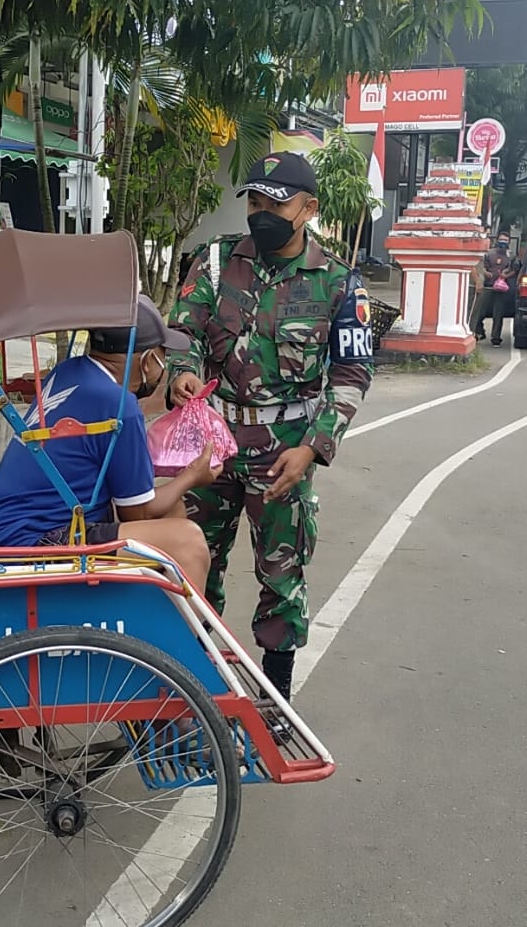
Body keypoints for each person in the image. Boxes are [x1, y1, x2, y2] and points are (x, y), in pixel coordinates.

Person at [166, 151, 377, 704]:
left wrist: (314, 448)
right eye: (254, 202)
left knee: (281, 580)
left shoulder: (336, 282)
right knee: (189, 569)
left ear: (307, 208)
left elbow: (353, 370)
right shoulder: (214, 262)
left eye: (274, 204)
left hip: (283, 453)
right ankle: (196, 692)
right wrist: (182, 374)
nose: (261, 214)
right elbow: (182, 332)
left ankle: (276, 702)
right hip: (208, 447)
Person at [0, 296, 219, 593]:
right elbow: (137, 514)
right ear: (145, 358)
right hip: (35, 542)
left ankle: (155, 616)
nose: (162, 366)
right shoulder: (118, 404)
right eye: (161, 354)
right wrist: (193, 476)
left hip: (13, 530)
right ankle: (181, 638)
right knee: (188, 542)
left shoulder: (69, 372)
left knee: (172, 510)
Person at [475, 232, 521, 345]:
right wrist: (486, 273)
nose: (503, 242)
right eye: (501, 240)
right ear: (497, 240)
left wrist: (505, 276)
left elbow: (515, 270)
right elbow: (481, 266)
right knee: (479, 312)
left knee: (498, 314)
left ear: (509, 242)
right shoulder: (489, 253)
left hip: (502, 289)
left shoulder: (511, 256)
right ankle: (479, 332)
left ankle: (496, 338)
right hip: (488, 286)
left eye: (505, 240)